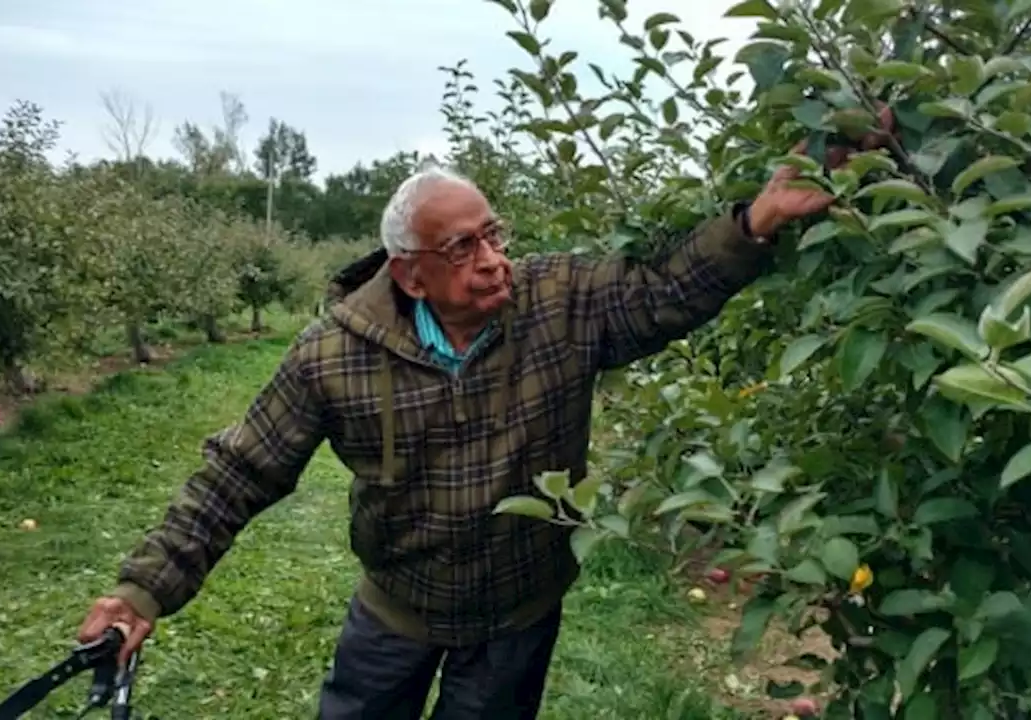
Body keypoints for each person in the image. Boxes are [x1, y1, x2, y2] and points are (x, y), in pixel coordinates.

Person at [76, 115, 895, 719]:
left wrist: (757, 220)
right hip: (396, 608)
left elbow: (663, 292)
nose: (493, 259)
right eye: (462, 248)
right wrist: (143, 590)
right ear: (411, 274)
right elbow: (240, 470)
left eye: (492, 234)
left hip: (516, 615)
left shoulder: (559, 303)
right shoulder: (335, 355)